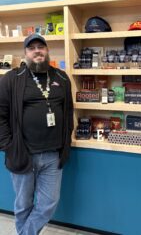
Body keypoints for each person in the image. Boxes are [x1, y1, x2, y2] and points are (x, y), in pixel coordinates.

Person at [0, 33, 74, 235]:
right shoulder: (11, 79)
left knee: (48, 203)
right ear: (25, 53)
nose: (37, 51)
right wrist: (9, 145)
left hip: (53, 155)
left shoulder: (61, 77)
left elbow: (68, 112)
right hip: (23, 154)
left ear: (47, 50)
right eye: (31, 48)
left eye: (40, 47)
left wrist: (66, 139)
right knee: (23, 204)